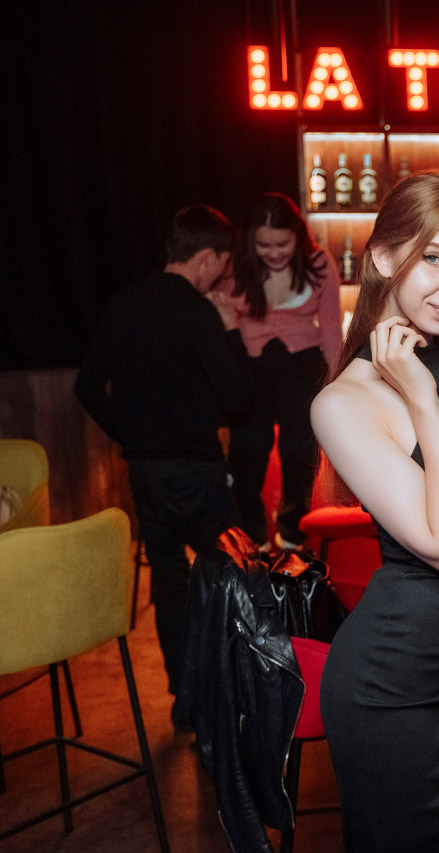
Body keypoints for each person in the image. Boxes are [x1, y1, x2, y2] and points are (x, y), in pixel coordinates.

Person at [310, 172, 439, 851]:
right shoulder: (344, 401)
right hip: (393, 694)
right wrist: (420, 399)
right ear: (384, 257)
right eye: (434, 258)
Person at [75, 205, 251, 705]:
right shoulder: (198, 311)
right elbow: (238, 398)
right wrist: (231, 329)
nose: (224, 274)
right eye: (224, 263)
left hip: (146, 471)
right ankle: (234, 697)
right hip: (196, 470)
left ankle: (186, 700)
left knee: (169, 583)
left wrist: (130, 433)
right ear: (208, 257)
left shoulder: (123, 304)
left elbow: (86, 386)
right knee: (233, 574)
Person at [224, 193, 341, 551]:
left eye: (282, 244)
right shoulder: (233, 267)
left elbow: (331, 330)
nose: (274, 253)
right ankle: (252, 534)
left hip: (302, 363)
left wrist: (340, 381)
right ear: (250, 240)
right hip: (251, 365)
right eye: (264, 245)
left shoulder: (319, 264)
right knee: (249, 447)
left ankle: (292, 532)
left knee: (298, 449)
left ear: (298, 236)